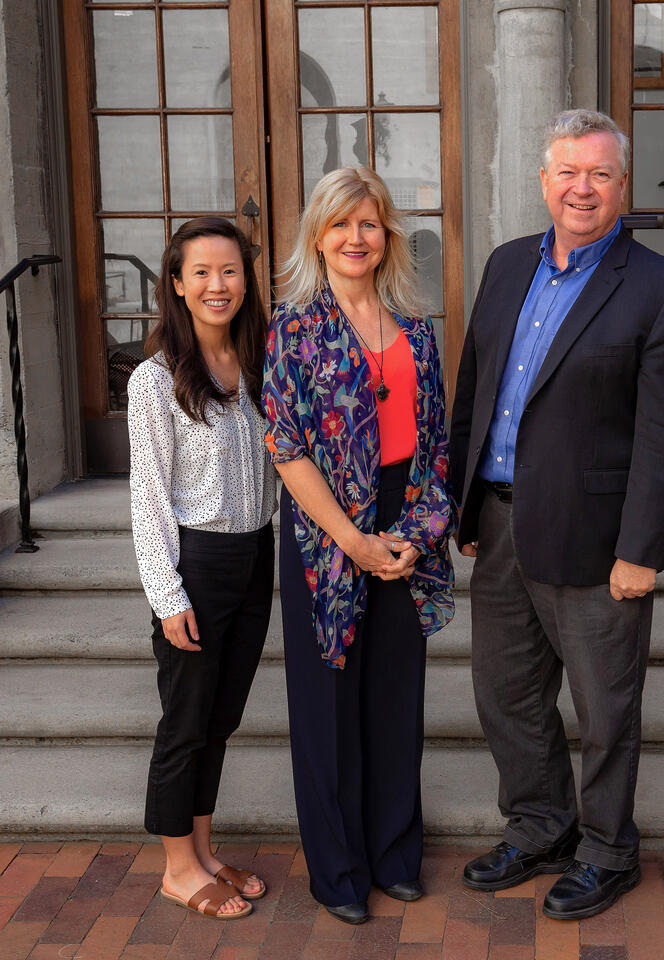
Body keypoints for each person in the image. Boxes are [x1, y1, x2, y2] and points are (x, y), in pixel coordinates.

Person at [449, 109, 664, 921]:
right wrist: (461, 505)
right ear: (544, 180)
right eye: (567, 172)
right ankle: (539, 825)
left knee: (604, 707)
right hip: (497, 523)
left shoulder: (662, 289)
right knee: (507, 695)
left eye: (598, 174)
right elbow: (473, 391)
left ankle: (605, 850)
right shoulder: (504, 266)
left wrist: (643, 549)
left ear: (621, 184)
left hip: (599, 543)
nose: (581, 189)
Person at [263, 166, 455, 925]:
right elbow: (286, 447)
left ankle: (395, 854)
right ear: (318, 234)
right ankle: (338, 869)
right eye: (341, 224)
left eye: (369, 224)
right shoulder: (294, 325)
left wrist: (409, 537)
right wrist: (352, 541)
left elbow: (437, 441)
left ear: (387, 238)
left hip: (404, 521)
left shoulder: (416, 328)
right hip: (324, 532)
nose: (355, 238)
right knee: (329, 702)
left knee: (394, 697)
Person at [128, 218, 274, 920]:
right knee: (184, 721)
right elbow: (147, 502)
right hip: (198, 563)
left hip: (254, 555)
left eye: (231, 271)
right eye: (203, 273)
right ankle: (177, 868)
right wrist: (167, 594)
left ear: (246, 282)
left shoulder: (256, 365)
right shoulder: (156, 382)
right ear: (179, 285)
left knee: (221, 718)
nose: (219, 285)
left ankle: (205, 850)